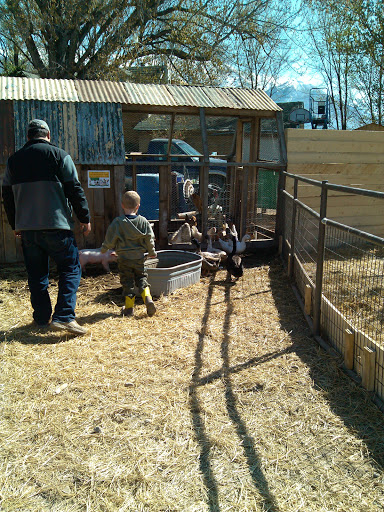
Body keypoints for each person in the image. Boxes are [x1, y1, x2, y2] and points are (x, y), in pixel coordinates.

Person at [2, 119, 91, 335]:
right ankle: (64, 316)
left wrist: (16, 224)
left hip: (28, 229)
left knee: (37, 274)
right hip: (57, 226)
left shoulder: (13, 161)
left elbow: (6, 195)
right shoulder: (61, 156)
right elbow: (74, 189)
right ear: (48, 135)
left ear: (28, 137)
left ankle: (41, 319)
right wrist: (84, 217)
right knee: (70, 269)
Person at [100, 190, 157, 317]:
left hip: (124, 259)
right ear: (138, 206)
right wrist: (152, 252)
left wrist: (104, 250)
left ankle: (129, 309)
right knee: (142, 279)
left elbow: (110, 239)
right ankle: (148, 299)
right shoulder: (143, 221)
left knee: (128, 283)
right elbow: (149, 238)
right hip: (139, 258)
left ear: (122, 205)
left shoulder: (118, 222)